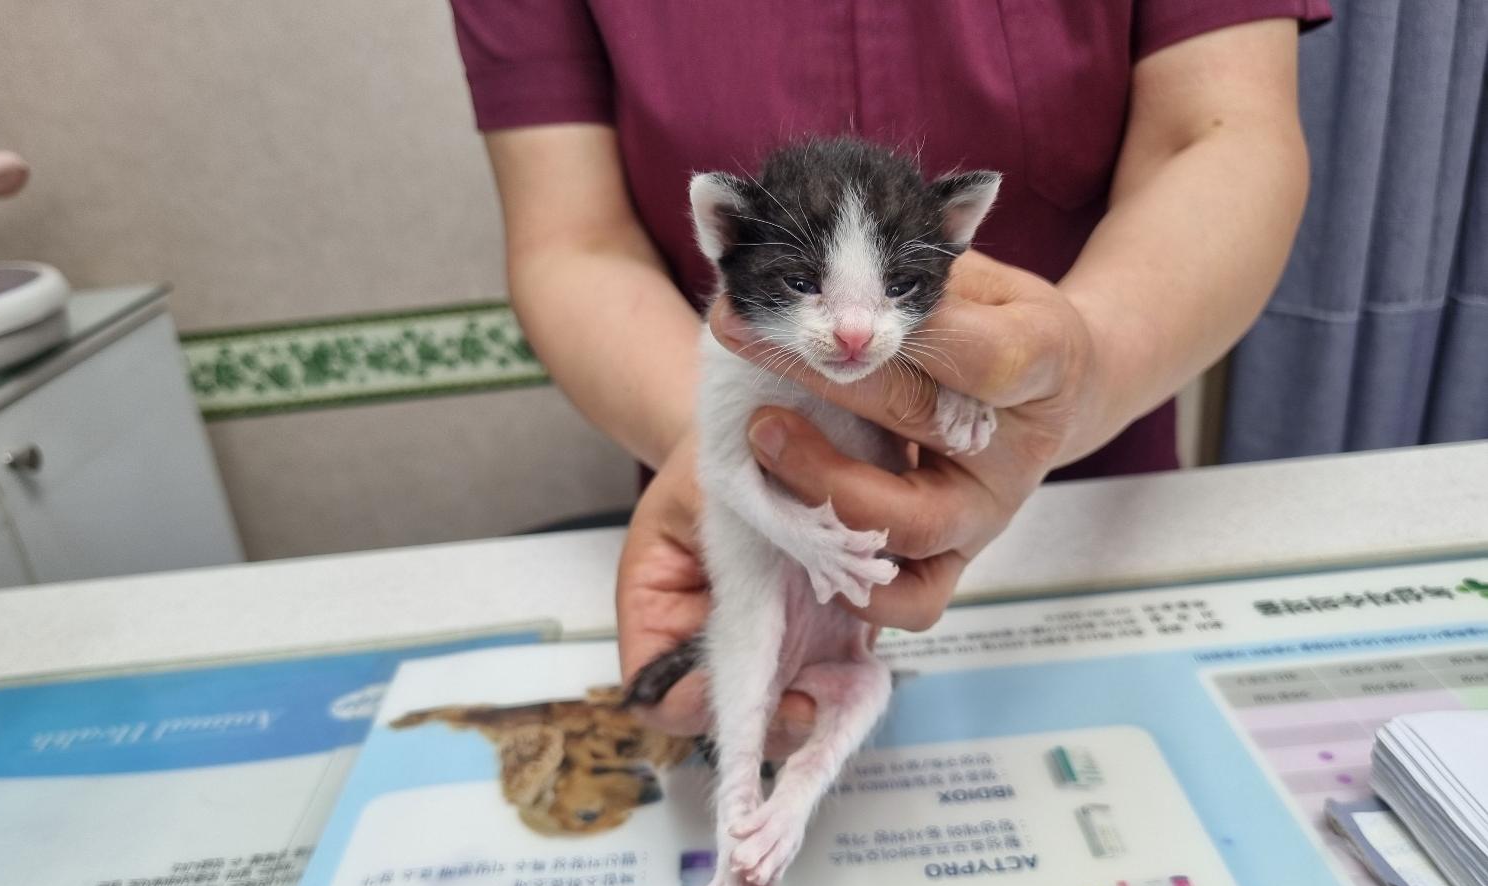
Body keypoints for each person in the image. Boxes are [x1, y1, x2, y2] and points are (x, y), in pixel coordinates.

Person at [451, 1, 1330, 741]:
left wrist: (1077, 379)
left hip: (1087, 495)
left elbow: (1221, 136)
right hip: (739, 479)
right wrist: (724, 449)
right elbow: (577, 239)